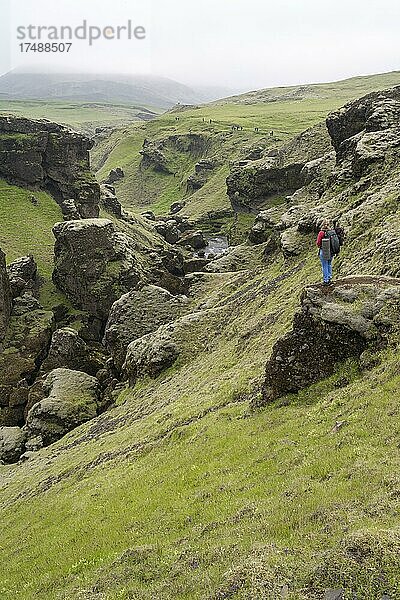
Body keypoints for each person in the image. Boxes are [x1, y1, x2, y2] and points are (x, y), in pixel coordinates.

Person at [316, 220, 340, 285]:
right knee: (329, 264)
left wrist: (320, 246)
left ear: (322, 225)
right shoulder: (332, 232)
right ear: (329, 225)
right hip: (331, 251)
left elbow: (318, 242)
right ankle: (329, 278)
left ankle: (325, 280)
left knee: (324, 265)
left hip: (324, 251)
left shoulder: (321, 233)